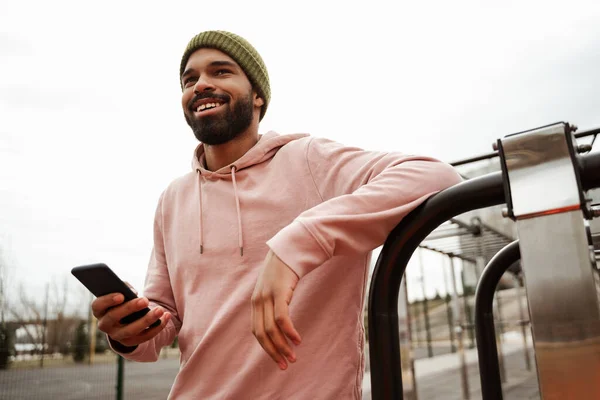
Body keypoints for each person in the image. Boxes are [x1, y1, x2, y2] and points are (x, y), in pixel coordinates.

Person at [91, 30, 462, 399]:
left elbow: (437, 175)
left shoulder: (308, 160)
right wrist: (129, 331)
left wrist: (299, 241)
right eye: (190, 79)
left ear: (257, 96)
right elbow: (162, 326)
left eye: (220, 72)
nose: (200, 84)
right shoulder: (172, 199)